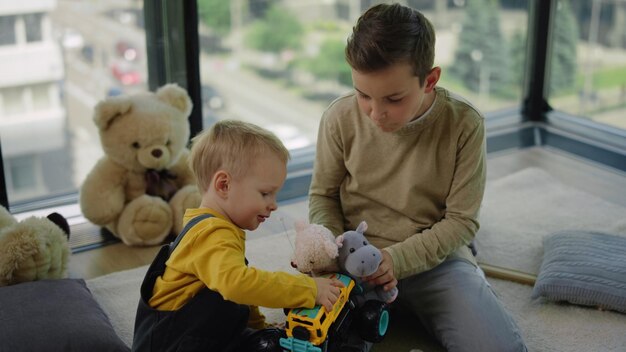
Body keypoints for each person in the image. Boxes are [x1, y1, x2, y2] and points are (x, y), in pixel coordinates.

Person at [308, 3, 527, 352]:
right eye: (363, 94)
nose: (375, 113)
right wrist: (337, 251)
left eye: (393, 99)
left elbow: (461, 222)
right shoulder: (339, 116)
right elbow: (322, 196)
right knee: (313, 340)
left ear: (430, 80)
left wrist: (398, 260)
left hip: (433, 262)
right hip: (353, 261)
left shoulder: (465, 124)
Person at [133, 119, 344, 352]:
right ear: (224, 185)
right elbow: (239, 285)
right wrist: (309, 289)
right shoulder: (211, 234)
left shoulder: (216, 229)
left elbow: (237, 297)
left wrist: (259, 330)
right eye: (265, 193)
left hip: (201, 336)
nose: (273, 205)